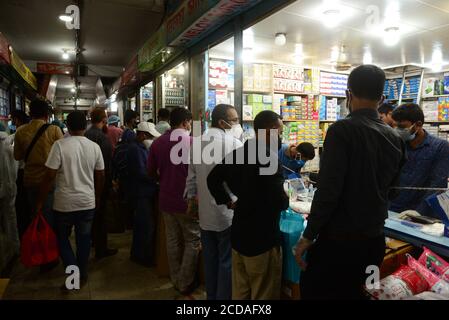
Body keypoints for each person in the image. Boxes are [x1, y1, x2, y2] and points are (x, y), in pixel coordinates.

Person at [293, 65, 406, 300]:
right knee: (361, 293)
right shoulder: (395, 137)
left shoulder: (341, 130)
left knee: (315, 292)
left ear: (348, 95)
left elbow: (328, 191)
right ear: (382, 98)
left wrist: (308, 236)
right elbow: (394, 191)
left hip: (338, 245)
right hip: (375, 243)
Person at [207, 110, 289, 300]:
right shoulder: (269, 159)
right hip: (263, 239)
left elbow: (213, 179)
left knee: (241, 292)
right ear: (270, 131)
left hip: (239, 235)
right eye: (280, 132)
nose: (281, 138)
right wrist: (284, 198)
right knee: (263, 294)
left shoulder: (239, 152)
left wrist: (228, 200)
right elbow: (280, 202)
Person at [36, 111, 105, 289]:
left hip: (63, 204)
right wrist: (96, 196)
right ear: (86, 125)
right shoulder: (94, 147)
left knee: (61, 239)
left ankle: (73, 273)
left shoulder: (59, 146)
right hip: (87, 202)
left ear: (67, 125)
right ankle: (82, 273)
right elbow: (101, 175)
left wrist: (40, 201)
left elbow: (49, 175)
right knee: (84, 239)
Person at [184, 104, 243, 300]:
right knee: (226, 260)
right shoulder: (234, 144)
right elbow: (242, 181)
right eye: (234, 120)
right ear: (222, 122)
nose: (237, 123)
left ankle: (212, 297)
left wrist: (191, 200)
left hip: (205, 213)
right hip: (228, 211)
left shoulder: (197, 142)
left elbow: (191, 177)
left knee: (210, 259)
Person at [148, 107, 200, 295]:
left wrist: (163, 179)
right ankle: (185, 282)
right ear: (186, 122)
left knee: (172, 240)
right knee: (192, 240)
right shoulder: (194, 143)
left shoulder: (157, 143)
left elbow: (150, 172)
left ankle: (175, 277)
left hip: (165, 199)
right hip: (187, 201)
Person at [13, 99, 63, 271]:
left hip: (29, 180)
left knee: (35, 216)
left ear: (30, 113)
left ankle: (39, 253)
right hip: (48, 181)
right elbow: (62, 154)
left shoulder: (20, 131)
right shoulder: (54, 130)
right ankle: (48, 257)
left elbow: (17, 156)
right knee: (48, 218)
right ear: (46, 114)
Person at [390, 103, 449, 218]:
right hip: (393, 210)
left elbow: (437, 185)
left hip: (422, 214)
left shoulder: (440, 147)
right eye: (395, 126)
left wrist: (419, 212)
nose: (397, 130)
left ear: (418, 125)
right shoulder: (396, 144)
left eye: (402, 127)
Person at [85, 107, 118, 259]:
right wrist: (109, 184)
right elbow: (105, 164)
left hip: (87, 180)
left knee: (92, 216)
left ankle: (93, 242)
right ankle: (101, 248)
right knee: (100, 216)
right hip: (99, 181)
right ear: (104, 119)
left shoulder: (86, 134)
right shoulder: (101, 137)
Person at [129, 122, 160, 266]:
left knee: (144, 225)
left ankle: (140, 254)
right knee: (145, 226)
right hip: (142, 192)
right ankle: (142, 257)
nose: (152, 139)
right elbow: (142, 172)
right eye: (149, 136)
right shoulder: (136, 149)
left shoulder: (142, 147)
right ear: (141, 134)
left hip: (145, 191)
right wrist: (156, 178)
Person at [0, 122, 20, 267]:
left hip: (4, 187)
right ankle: (14, 249)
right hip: (10, 187)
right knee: (11, 219)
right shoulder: (10, 144)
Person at [10, 110, 30, 239]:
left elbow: (16, 156)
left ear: (17, 120)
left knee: (23, 207)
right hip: (38, 173)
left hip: (23, 173)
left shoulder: (19, 132)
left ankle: (25, 236)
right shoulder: (31, 130)